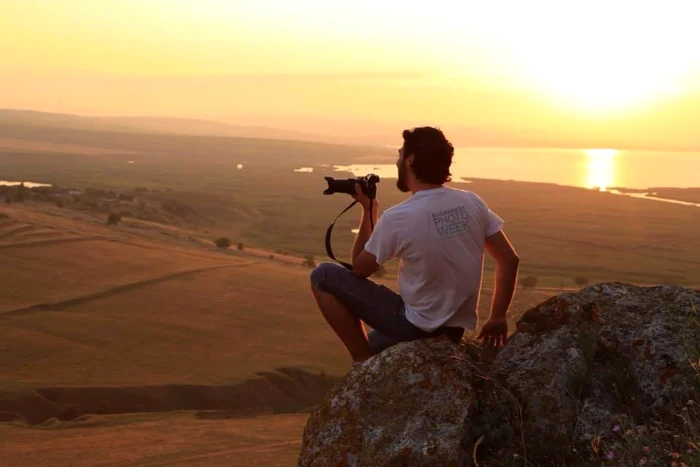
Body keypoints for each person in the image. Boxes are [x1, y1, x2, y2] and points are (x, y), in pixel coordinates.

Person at [310, 126, 520, 365]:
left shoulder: (399, 217)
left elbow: (360, 268)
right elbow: (509, 259)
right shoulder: (472, 202)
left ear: (410, 160)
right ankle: (376, 355)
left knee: (323, 275)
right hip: (453, 331)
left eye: (400, 155)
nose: (398, 161)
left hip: (414, 325)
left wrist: (369, 209)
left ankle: (362, 363)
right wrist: (498, 317)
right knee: (376, 340)